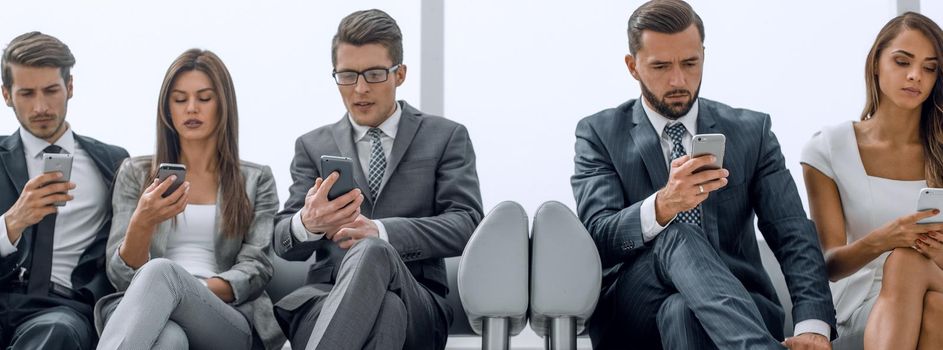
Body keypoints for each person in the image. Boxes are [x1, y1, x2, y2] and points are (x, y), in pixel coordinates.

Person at [570, 1, 837, 348]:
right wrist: (663, 206)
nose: (678, 79)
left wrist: (813, 325)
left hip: (743, 306)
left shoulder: (752, 132)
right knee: (673, 233)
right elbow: (598, 240)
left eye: (690, 63)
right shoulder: (599, 134)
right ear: (632, 66)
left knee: (682, 311)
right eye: (661, 66)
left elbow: (792, 233)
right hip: (636, 309)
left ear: (704, 56)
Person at [271, 9, 483, 350]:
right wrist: (306, 223)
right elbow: (282, 242)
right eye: (347, 75)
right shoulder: (312, 146)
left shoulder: (446, 136)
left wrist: (381, 233)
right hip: (324, 299)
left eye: (373, 74)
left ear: (399, 74)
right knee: (387, 312)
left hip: (417, 297)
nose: (360, 89)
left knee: (375, 252)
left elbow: (467, 223)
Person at [95, 49, 284, 350]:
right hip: (146, 310)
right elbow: (120, 277)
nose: (191, 108)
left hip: (223, 313)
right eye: (180, 100)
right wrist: (142, 221)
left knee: (161, 272)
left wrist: (186, 289)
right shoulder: (135, 173)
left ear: (223, 104)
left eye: (204, 98)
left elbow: (256, 269)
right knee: (169, 340)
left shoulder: (256, 179)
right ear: (167, 108)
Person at [802, 12, 943, 350]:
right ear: (876, 63)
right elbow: (830, 264)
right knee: (934, 306)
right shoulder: (830, 147)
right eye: (902, 61)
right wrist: (885, 239)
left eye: (929, 67)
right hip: (866, 300)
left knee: (913, 264)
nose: (914, 76)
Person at [0, 31, 129, 349]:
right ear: (6, 94)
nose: (40, 106)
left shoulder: (114, 164)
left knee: (58, 331)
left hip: (64, 309)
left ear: (70, 88)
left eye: (51, 91)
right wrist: (12, 223)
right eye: (27, 93)